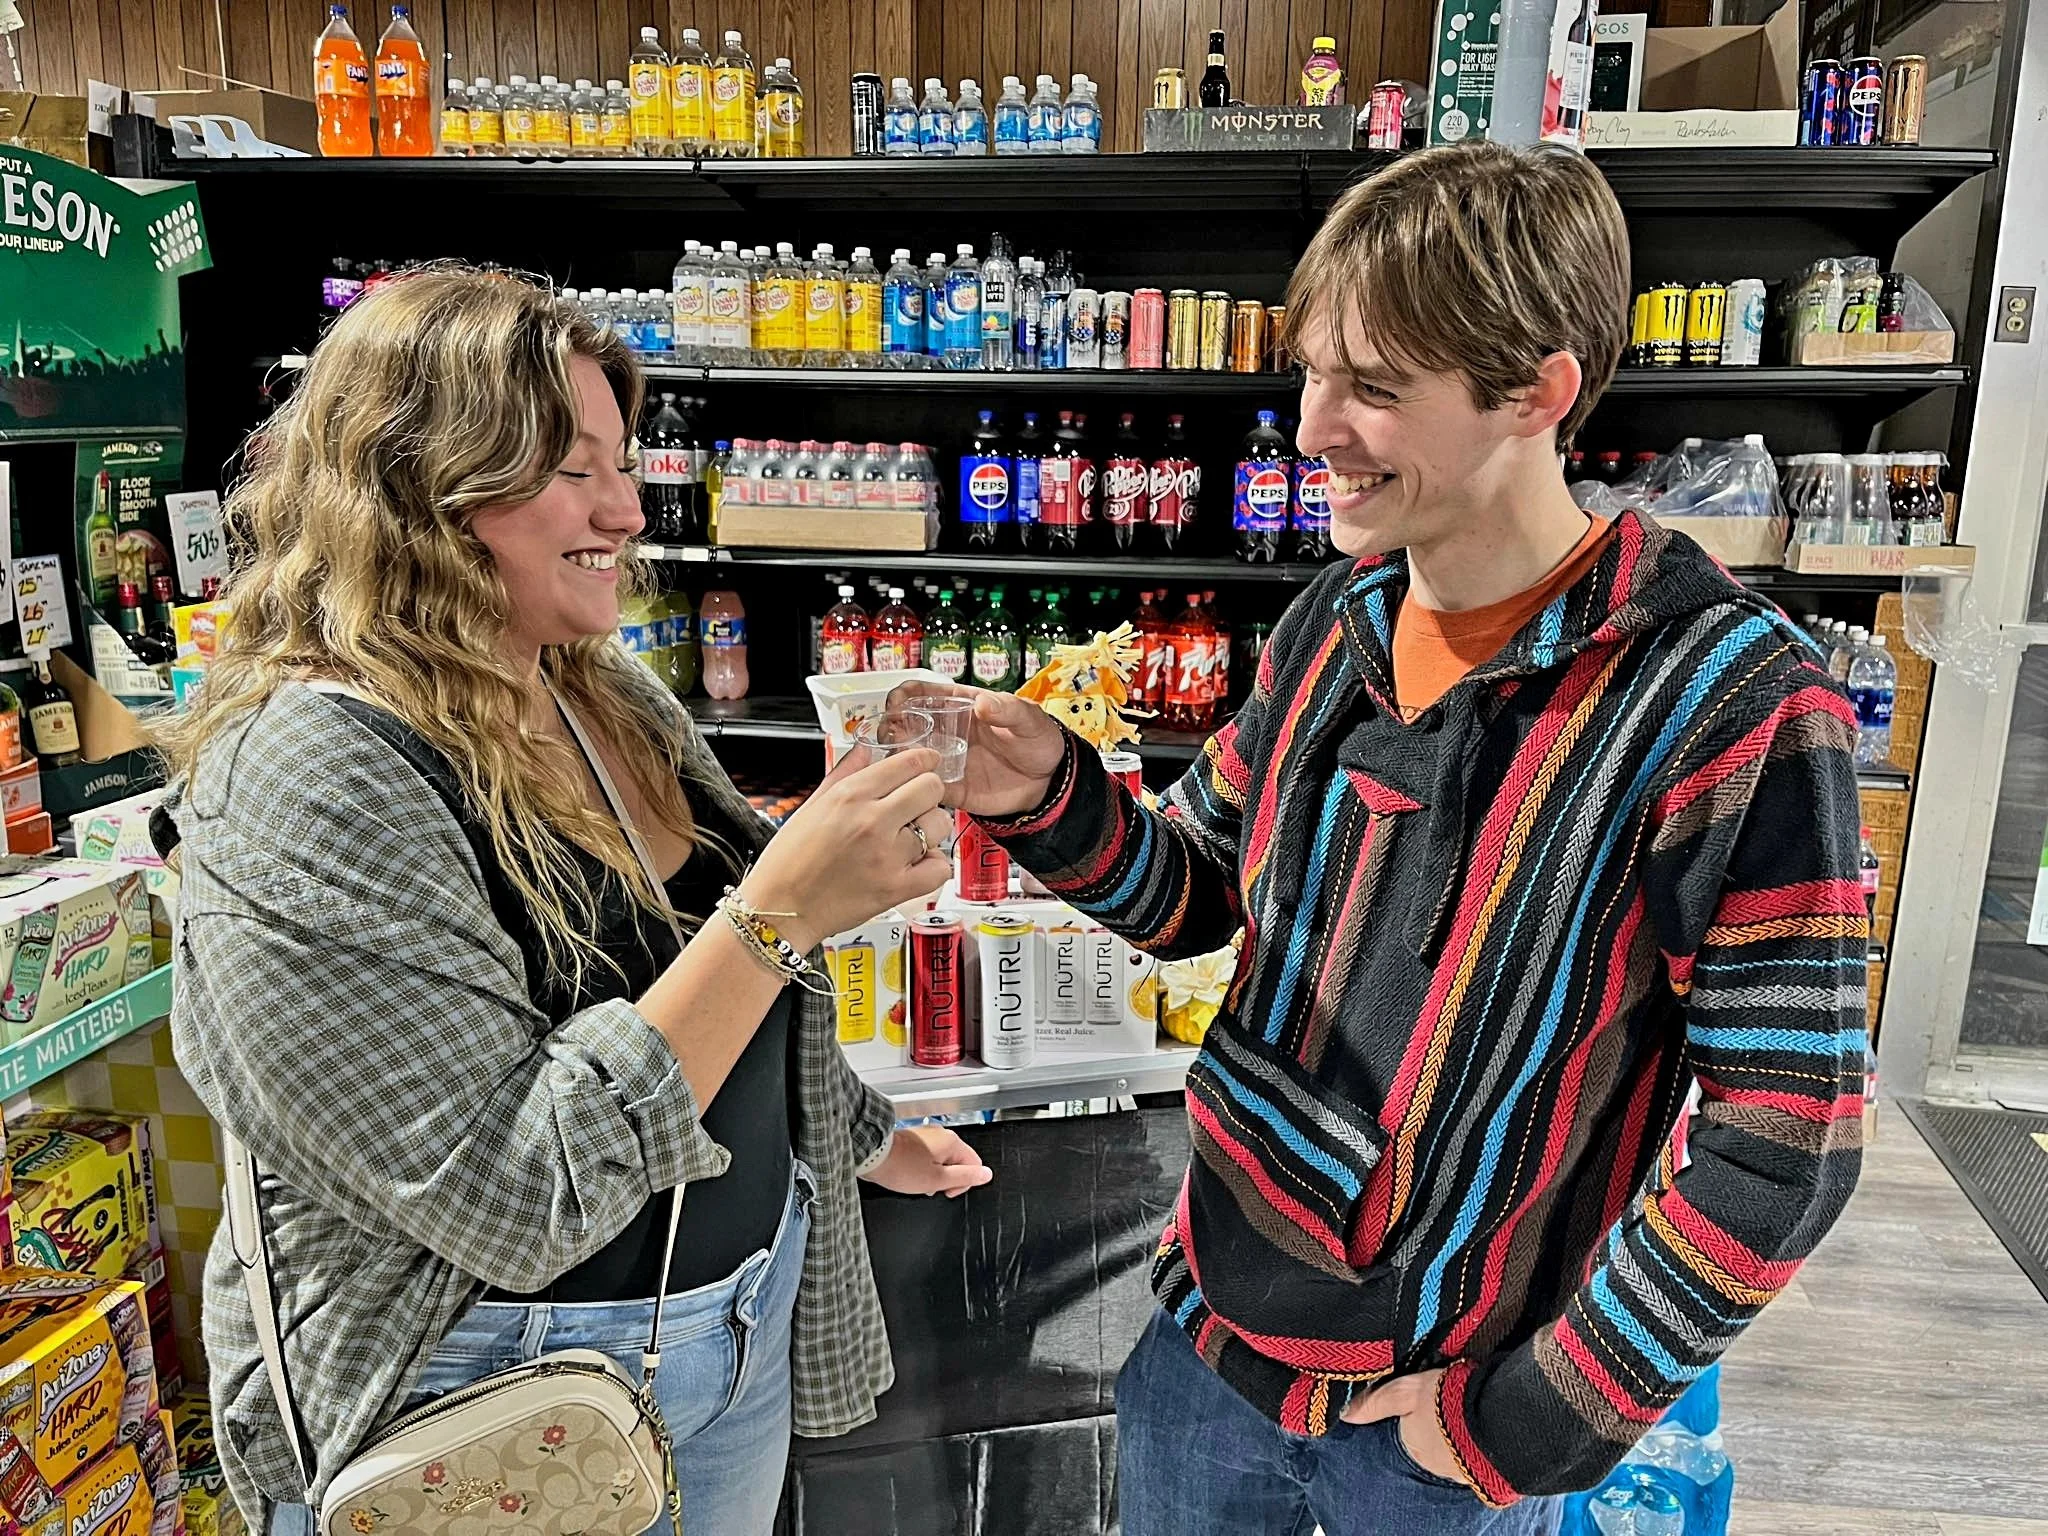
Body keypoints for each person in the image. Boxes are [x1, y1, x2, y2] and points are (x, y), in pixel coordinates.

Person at [929, 143, 1866, 1533]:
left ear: (1539, 391)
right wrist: (1047, 791)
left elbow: (1788, 1137)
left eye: (1375, 387)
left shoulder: (1729, 704)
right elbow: (1196, 891)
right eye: (1313, 371)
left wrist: (1530, 1417)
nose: (1313, 428)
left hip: (1442, 1418)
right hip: (1207, 1339)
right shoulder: (1334, 620)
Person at [158, 268, 986, 1536]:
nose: (625, 504)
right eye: (570, 468)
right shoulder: (306, 773)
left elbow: (688, 996)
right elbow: (508, 1193)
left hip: (728, 1334)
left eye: (622, 458)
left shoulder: (588, 689)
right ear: (418, 487)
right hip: (487, 1396)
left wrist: (862, 1133)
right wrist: (777, 916)